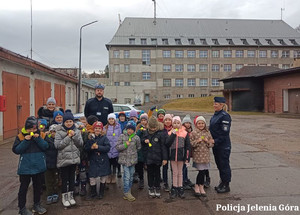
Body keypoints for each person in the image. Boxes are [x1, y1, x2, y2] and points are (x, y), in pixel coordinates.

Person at [12, 116, 48, 215]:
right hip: (25, 167)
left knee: (38, 187)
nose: (32, 131)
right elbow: (16, 150)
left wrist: (38, 139)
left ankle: (37, 205)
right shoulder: (20, 136)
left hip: (39, 166)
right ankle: (22, 208)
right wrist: (26, 141)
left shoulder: (42, 135)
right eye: (29, 129)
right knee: (23, 188)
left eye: (34, 129)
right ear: (26, 128)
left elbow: (46, 146)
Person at [54, 110, 83, 207]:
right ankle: (64, 196)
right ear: (64, 122)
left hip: (74, 159)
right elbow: (58, 146)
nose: (69, 123)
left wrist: (74, 136)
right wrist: (68, 137)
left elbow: (80, 144)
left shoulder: (77, 131)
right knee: (64, 179)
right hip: (63, 160)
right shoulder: (59, 132)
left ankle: (71, 196)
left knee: (72, 178)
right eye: (67, 122)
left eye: (70, 121)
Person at [209, 97, 232, 193]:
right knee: (219, 165)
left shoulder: (225, 116)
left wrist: (215, 141)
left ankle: (226, 185)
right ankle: (222, 182)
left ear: (222, 105)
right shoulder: (215, 115)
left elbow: (224, 133)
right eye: (214, 103)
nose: (214, 105)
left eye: (216, 104)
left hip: (223, 145)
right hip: (217, 146)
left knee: (224, 165)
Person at [141, 116, 168, 198]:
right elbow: (142, 141)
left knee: (157, 173)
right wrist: (144, 141)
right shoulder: (146, 133)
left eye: (154, 127)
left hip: (158, 157)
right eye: (151, 127)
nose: (153, 129)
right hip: (149, 158)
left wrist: (164, 158)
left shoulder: (160, 134)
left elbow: (163, 147)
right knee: (150, 173)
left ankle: (157, 187)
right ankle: (151, 187)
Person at [166, 116, 190, 199]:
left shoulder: (185, 133)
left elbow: (187, 147)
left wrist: (187, 158)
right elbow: (167, 143)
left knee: (180, 172)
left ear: (180, 124)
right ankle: (174, 187)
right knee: (174, 172)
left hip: (181, 156)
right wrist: (173, 133)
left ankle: (180, 187)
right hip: (172, 156)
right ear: (172, 124)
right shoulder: (169, 133)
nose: (176, 124)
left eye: (178, 123)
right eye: (174, 123)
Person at [85, 121, 111, 200]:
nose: (97, 130)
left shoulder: (104, 138)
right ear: (94, 129)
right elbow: (86, 148)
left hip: (103, 160)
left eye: (99, 128)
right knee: (92, 176)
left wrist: (98, 147)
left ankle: (101, 192)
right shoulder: (90, 138)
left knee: (103, 176)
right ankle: (93, 192)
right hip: (93, 160)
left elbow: (107, 148)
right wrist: (91, 148)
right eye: (96, 128)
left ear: (101, 129)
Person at [116, 121, 141, 201]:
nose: (130, 131)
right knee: (126, 177)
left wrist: (133, 153)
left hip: (132, 161)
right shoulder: (122, 136)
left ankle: (128, 191)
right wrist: (125, 145)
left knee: (131, 177)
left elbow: (138, 147)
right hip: (124, 160)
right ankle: (126, 192)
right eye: (128, 129)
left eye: (131, 129)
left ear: (134, 130)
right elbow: (117, 147)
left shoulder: (136, 138)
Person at [190, 116, 214, 197]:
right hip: (198, 155)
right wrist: (197, 141)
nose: (201, 125)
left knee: (203, 171)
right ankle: (197, 185)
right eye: (199, 123)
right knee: (200, 171)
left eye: (202, 123)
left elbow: (211, 144)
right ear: (196, 124)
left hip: (205, 155)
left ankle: (201, 186)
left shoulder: (207, 133)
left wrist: (208, 142)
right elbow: (191, 144)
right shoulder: (194, 133)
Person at [103, 113, 122, 184]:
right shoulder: (105, 128)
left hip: (115, 149)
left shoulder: (118, 127)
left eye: (112, 119)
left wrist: (119, 146)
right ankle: (108, 176)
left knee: (114, 164)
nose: (111, 120)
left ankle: (114, 176)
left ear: (114, 119)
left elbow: (120, 137)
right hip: (108, 149)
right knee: (108, 164)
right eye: (110, 119)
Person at [44, 124, 59, 205]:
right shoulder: (46, 139)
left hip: (56, 163)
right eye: (52, 132)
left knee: (56, 179)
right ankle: (49, 194)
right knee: (48, 180)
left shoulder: (59, 140)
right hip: (47, 162)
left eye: (55, 132)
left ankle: (55, 193)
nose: (54, 133)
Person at [181, 115, 194, 190]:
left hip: (188, 152)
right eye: (186, 123)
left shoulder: (190, 132)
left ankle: (186, 179)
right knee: (183, 167)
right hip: (184, 152)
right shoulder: (183, 132)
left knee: (186, 166)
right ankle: (183, 181)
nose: (188, 124)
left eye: (189, 123)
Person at [136, 113, 148, 189]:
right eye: (142, 120)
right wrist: (141, 130)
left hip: (147, 150)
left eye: (145, 120)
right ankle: (141, 179)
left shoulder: (149, 128)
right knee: (139, 166)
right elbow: (136, 137)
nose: (143, 122)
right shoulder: (138, 128)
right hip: (140, 150)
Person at [161, 113, 173, 192]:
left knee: (173, 169)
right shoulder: (162, 130)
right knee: (165, 168)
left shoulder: (174, 129)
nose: (168, 121)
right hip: (164, 152)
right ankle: (165, 182)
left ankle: (174, 183)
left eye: (169, 120)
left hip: (173, 152)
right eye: (166, 120)